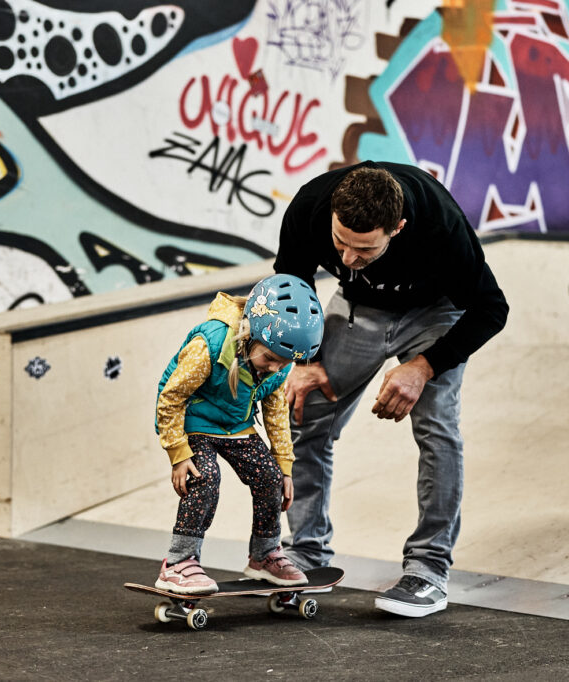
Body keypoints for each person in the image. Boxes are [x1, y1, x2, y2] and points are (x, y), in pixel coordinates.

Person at [273, 161, 509, 617]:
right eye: (340, 241)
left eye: (363, 249)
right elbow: (291, 283)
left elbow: (491, 309)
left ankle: (428, 569)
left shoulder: (441, 225)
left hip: (434, 316)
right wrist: (304, 361)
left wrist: (423, 367)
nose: (345, 258)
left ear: (397, 228)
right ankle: (305, 551)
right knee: (305, 410)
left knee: (437, 429)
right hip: (359, 308)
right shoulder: (310, 205)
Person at [153, 274, 324, 594]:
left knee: (269, 476)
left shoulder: (281, 361)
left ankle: (264, 555)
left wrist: (284, 466)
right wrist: (178, 453)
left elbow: (276, 413)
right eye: (270, 359)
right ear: (249, 333)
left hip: (236, 425)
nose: (276, 368)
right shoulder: (212, 344)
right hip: (196, 420)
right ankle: (178, 561)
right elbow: (171, 398)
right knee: (203, 476)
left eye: (285, 363)